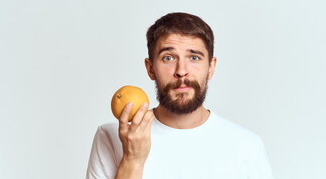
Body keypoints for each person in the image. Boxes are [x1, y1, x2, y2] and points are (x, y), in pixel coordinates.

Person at [86, 12, 274, 179]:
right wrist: (132, 160)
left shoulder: (247, 147)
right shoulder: (112, 137)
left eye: (194, 58)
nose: (181, 71)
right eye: (168, 58)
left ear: (211, 67)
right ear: (150, 69)